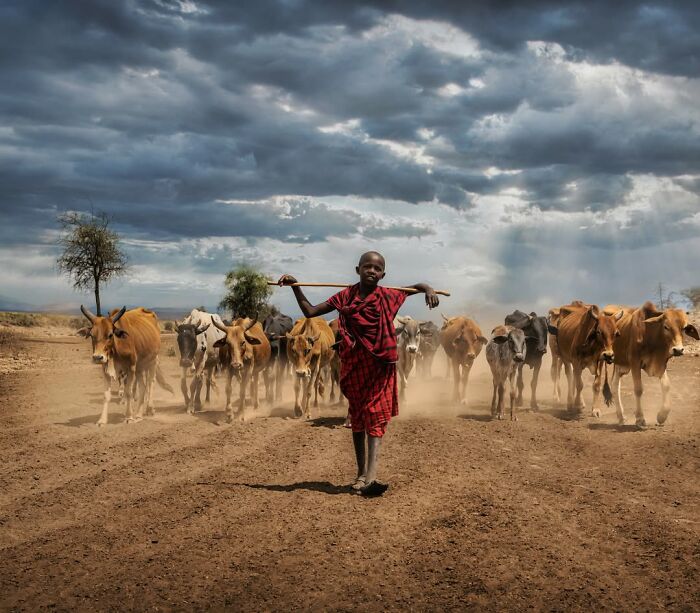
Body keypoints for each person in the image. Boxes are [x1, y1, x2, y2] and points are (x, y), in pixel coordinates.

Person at [277, 251, 439, 496]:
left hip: (380, 366)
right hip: (354, 365)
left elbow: (415, 287)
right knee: (358, 419)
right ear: (358, 270)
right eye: (367, 267)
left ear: (383, 274)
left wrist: (428, 289)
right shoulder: (345, 296)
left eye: (377, 268)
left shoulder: (388, 296)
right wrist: (295, 286)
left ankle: (372, 478)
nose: (372, 271)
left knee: (375, 416)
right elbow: (310, 311)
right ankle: (361, 473)